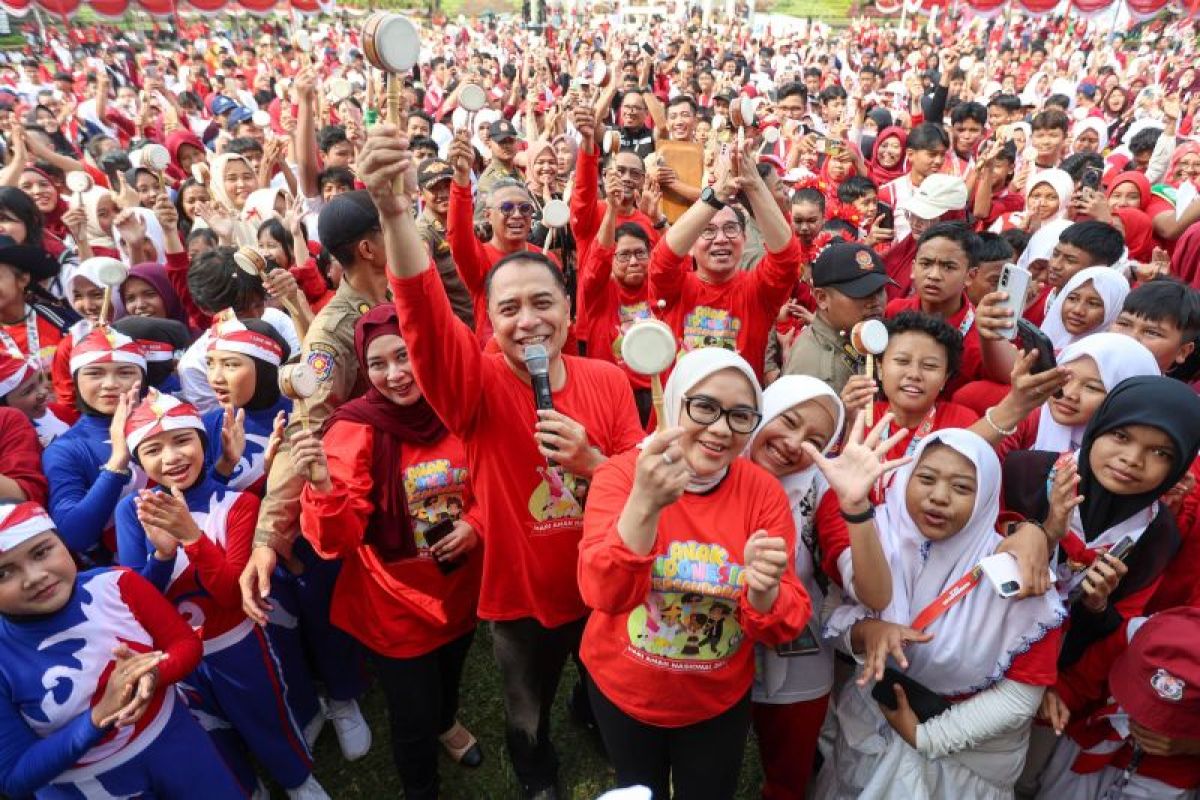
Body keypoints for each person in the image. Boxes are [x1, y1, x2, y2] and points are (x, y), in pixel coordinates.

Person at [361, 123, 645, 800]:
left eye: (543, 303)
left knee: (606, 676)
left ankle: (592, 716)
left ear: (569, 310)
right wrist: (397, 213)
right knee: (525, 705)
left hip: (603, 578)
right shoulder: (477, 385)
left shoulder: (604, 380)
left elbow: (634, 477)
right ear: (488, 322)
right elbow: (425, 315)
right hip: (521, 598)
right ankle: (537, 773)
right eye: (509, 308)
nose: (528, 321)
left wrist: (593, 462)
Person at [579, 348, 810, 799]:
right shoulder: (623, 475)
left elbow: (788, 614)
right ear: (675, 401)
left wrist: (763, 595)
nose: (721, 429)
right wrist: (644, 504)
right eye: (704, 407)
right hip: (624, 690)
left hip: (715, 703)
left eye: (741, 416)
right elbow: (602, 591)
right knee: (638, 790)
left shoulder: (760, 491)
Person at [294, 305, 485, 799]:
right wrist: (321, 484)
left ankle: (448, 723)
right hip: (395, 603)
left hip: (460, 587)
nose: (395, 375)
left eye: (405, 356)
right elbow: (335, 541)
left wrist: (476, 524)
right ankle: (422, 788)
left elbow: (497, 483)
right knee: (411, 716)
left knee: (450, 673)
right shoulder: (353, 429)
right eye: (378, 364)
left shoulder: (462, 409)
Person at [820, 429, 1066, 800]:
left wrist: (928, 738)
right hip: (871, 732)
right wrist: (868, 632)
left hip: (959, 764)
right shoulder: (879, 533)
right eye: (926, 478)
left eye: (962, 488)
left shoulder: (1017, 573)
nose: (938, 497)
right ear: (906, 477)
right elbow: (834, 616)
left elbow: (1020, 698)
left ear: (985, 499)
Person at [113, 391, 331, 800]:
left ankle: (298, 779)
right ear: (139, 460)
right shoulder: (133, 511)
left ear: (204, 442)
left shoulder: (237, 504)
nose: (172, 457)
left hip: (237, 641)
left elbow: (232, 593)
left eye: (183, 440)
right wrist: (161, 555)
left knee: (266, 714)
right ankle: (247, 788)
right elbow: (138, 601)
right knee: (209, 728)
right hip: (178, 652)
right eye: (154, 448)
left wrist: (192, 538)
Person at [0, 501, 245, 799]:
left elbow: (186, 644)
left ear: (62, 543)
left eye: (41, 552)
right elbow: (14, 776)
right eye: (4, 573)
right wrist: (98, 717)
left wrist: (153, 676)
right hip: (87, 788)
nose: (34, 576)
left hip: (176, 742)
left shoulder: (118, 583)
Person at [746, 379, 900, 798]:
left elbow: (874, 594)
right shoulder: (712, 462)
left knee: (788, 775)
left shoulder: (820, 487)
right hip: (709, 647)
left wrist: (855, 506)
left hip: (795, 648)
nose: (795, 444)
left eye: (815, 439)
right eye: (788, 421)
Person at [1002, 376, 1200, 669]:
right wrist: (1032, 531)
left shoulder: (1158, 535)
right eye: (1121, 436)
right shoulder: (1024, 473)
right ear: (1097, 429)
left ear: (1179, 466)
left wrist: (1098, 607)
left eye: (1161, 453)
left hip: (1047, 667)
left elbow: (1113, 634)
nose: (1133, 459)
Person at [648, 140, 801, 381]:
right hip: (680, 414)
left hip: (739, 414)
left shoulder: (757, 290)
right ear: (691, 246)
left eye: (731, 229)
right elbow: (662, 260)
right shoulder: (676, 287)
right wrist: (717, 193)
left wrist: (754, 184)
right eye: (707, 231)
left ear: (744, 237)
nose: (721, 239)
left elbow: (788, 259)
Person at [1034, 607, 1200, 799]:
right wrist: (1055, 699)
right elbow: (1079, 682)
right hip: (1093, 741)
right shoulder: (1139, 633)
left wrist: (1191, 745)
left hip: (1169, 775)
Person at [41, 326, 146, 559]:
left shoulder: (174, 421)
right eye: (95, 373)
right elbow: (74, 536)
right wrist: (118, 461)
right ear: (76, 380)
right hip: (122, 577)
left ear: (142, 377)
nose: (110, 383)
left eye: (125, 372)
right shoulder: (66, 449)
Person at [782, 242, 893, 394]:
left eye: (879, 290)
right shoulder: (819, 369)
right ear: (822, 298)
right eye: (861, 292)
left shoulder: (854, 335)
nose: (875, 301)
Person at [415, 158, 474, 328]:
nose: (442, 193)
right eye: (434, 189)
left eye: (447, 185)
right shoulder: (422, 231)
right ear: (420, 193)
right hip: (456, 327)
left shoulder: (461, 217)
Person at [1040, 266, 1130, 350]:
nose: (1077, 310)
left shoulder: (1103, 359)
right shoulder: (1045, 341)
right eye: (1072, 298)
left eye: (1093, 304)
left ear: (1114, 311)